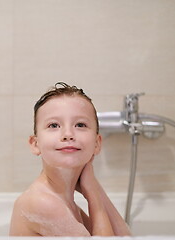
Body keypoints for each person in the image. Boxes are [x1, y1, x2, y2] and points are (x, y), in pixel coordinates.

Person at [9, 82, 131, 236]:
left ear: (97, 143)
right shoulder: (42, 202)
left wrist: (93, 186)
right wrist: (93, 196)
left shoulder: (64, 201)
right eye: (54, 125)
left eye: (80, 124)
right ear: (35, 144)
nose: (68, 134)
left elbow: (126, 237)